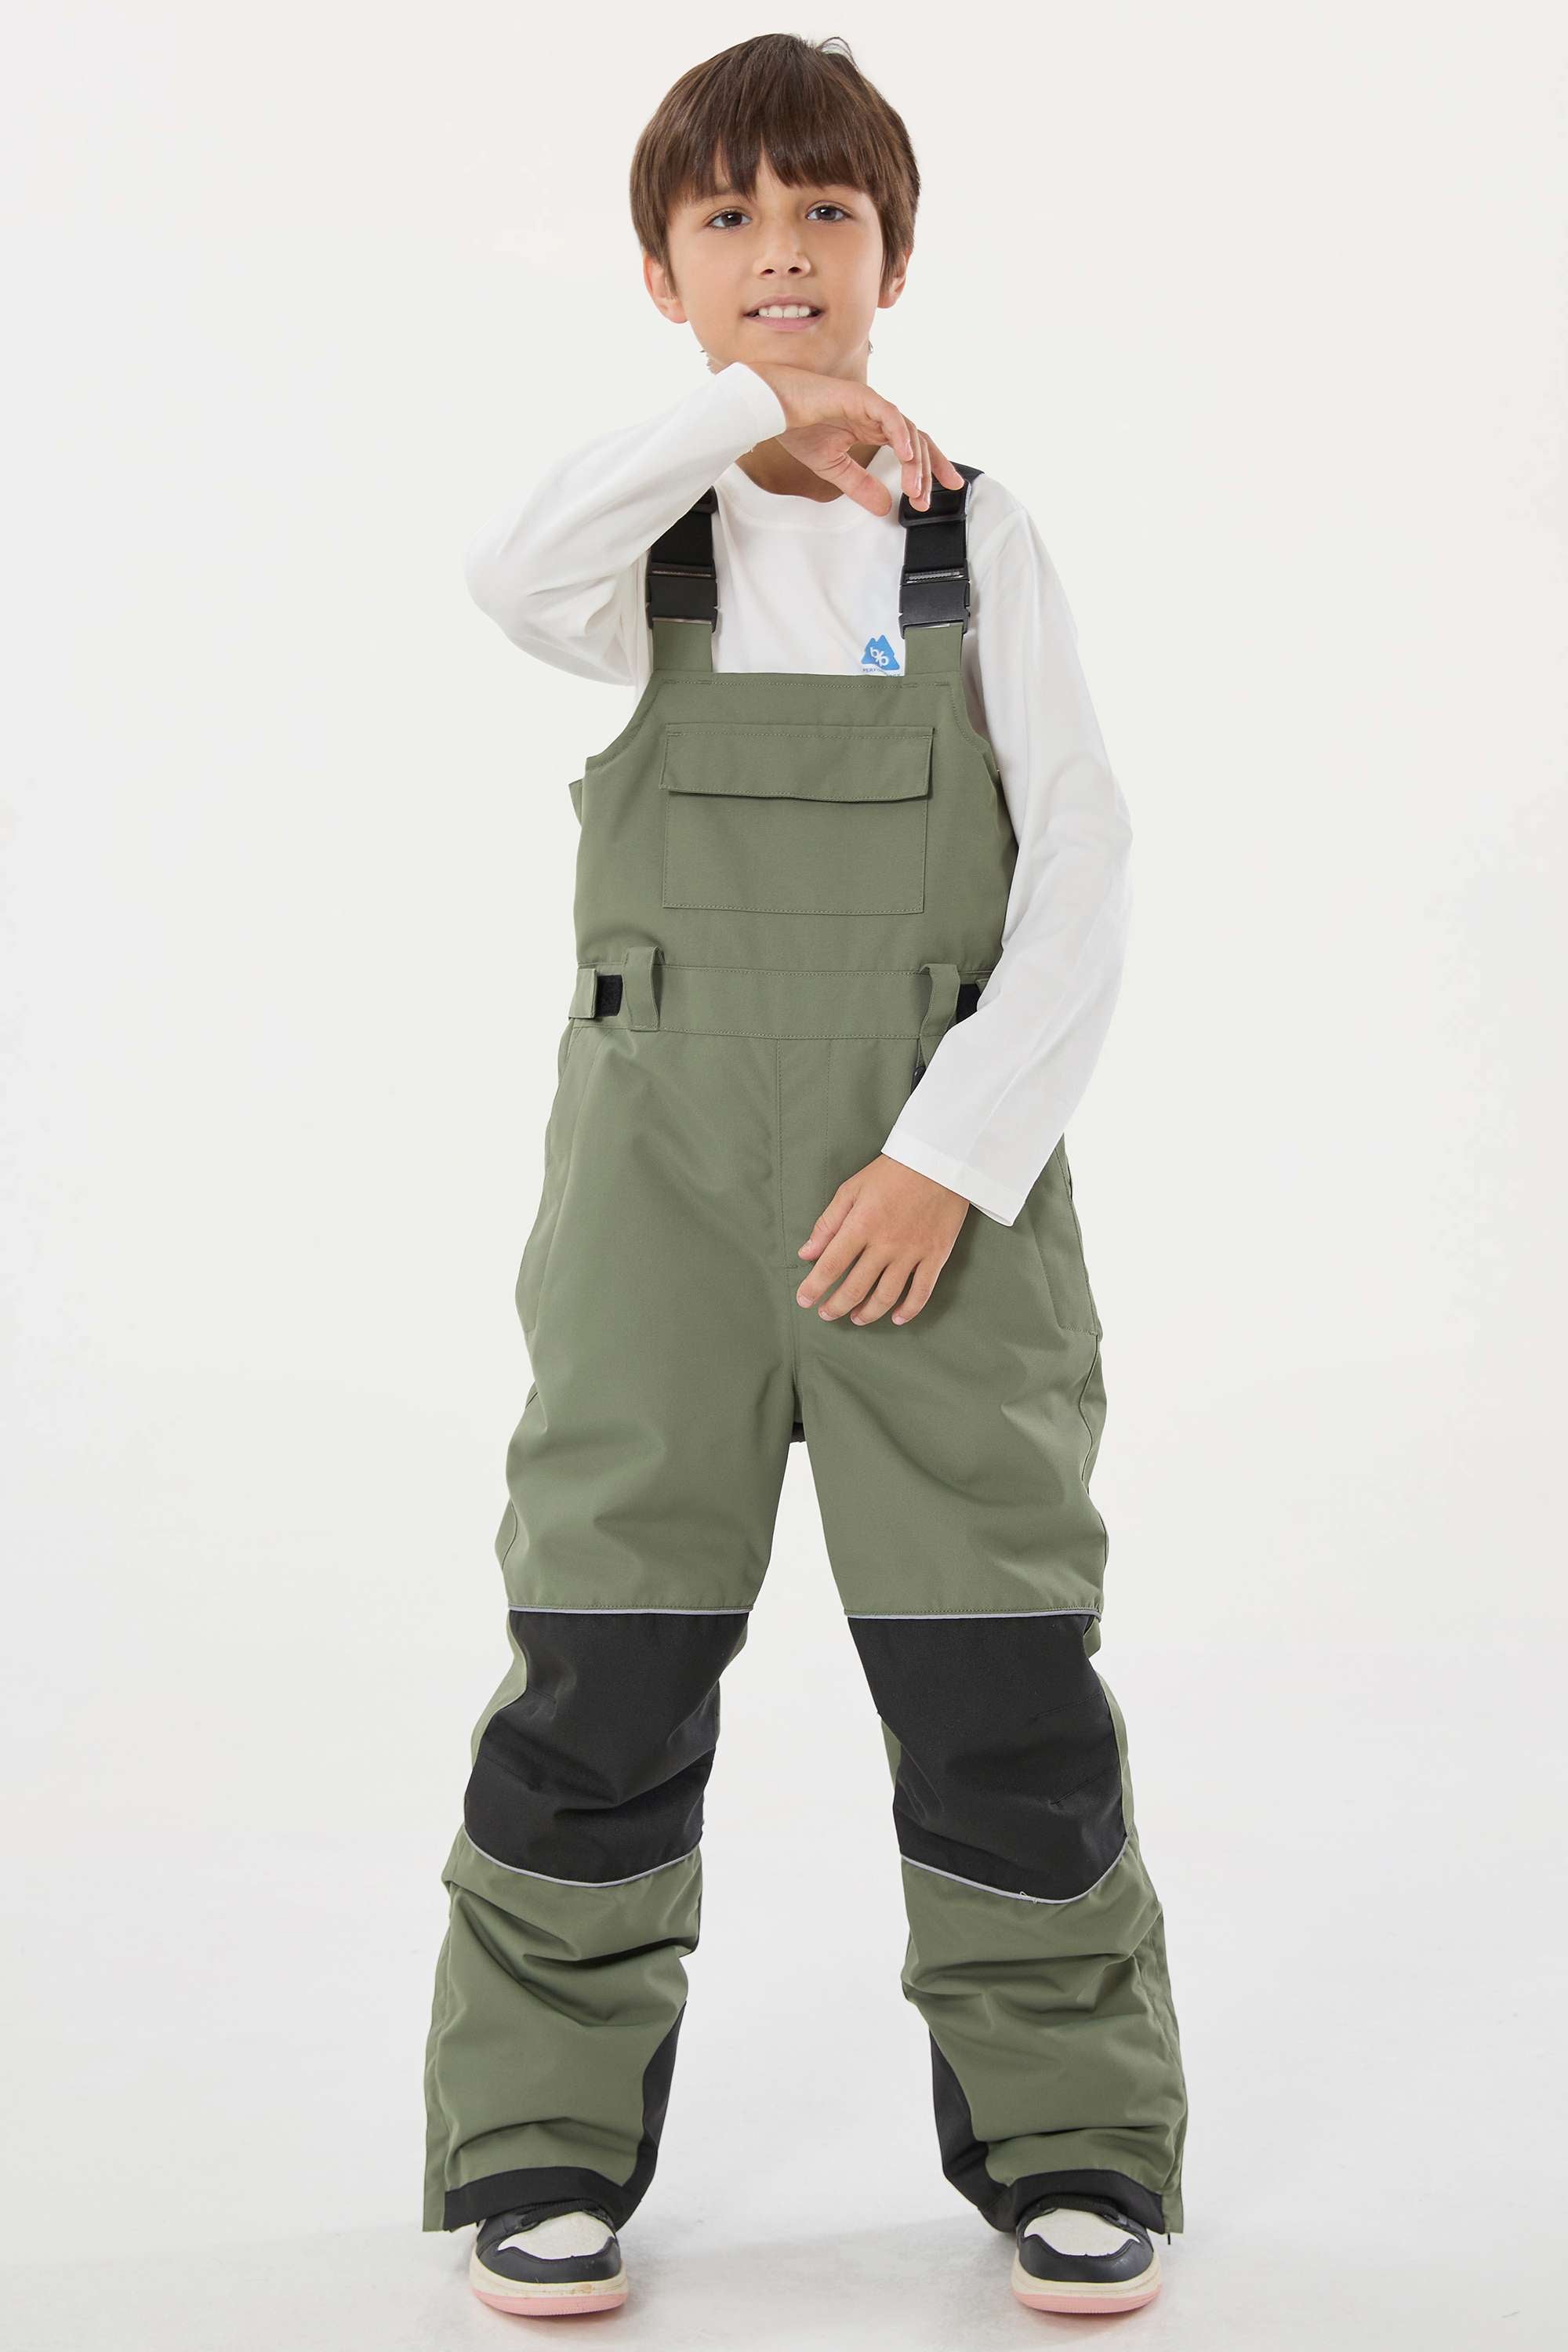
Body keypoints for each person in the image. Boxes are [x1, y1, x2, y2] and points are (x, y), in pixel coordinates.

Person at [422, 30, 1188, 2321]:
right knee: (602, 1669)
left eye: (828, 213)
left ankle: (1071, 2141)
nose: (784, 249)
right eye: (731, 217)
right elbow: (503, 573)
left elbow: (1084, 873)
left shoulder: (975, 537)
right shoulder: (641, 545)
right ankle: (539, 2143)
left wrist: (946, 1159)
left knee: (998, 1681)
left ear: (894, 255)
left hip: (931, 1214)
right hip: (656, 1207)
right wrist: (757, 417)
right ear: (662, 271)